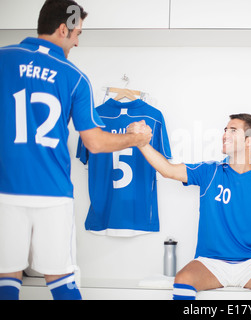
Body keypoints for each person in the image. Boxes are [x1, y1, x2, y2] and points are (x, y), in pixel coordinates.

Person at [0, 0, 151, 300]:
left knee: (6, 279)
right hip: (52, 193)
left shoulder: (4, 58)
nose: (78, 41)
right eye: (77, 33)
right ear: (62, 29)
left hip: (5, 189)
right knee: (62, 281)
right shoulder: (75, 76)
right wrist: (134, 139)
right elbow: (95, 143)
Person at [129, 113, 251, 300]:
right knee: (183, 279)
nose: (225, 134)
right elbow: (168, 170)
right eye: (225, 130)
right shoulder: (209, 171)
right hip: (210, 263)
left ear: (249, 141)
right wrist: (142, 143)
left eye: (233, 130)